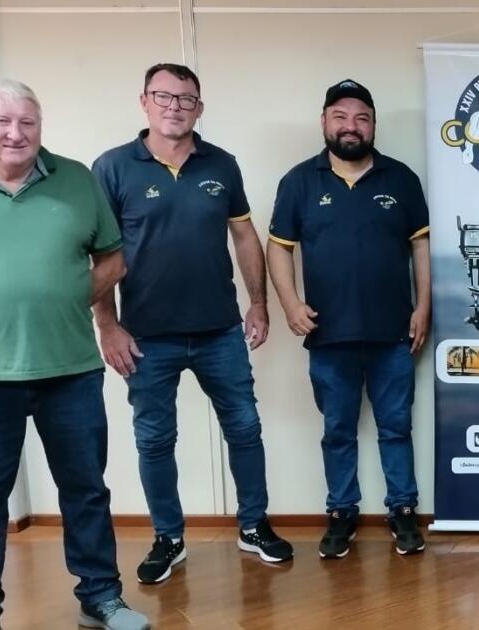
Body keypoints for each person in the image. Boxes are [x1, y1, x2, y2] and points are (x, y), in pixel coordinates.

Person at [0, 80, 150, 630]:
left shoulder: (76, 179)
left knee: (85, 491)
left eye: (27, 121)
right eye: (1, 121)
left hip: (70, 369)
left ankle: (101, 598)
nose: (15, 133)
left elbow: (113, 260)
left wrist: (66, 301)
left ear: (40, 125)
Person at [91, 62, 292, 585]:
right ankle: (169, 538)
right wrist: (107, 326)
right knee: (155, 439)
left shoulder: (221, 164)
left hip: (219, 331)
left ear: (199, 108)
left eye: (185, 98)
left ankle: (254, 526)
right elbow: (100, 255)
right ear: (144, 102)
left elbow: (244, 236)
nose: (174, 107)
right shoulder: (112, 167)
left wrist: (258, 303)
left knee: (244, 428)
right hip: (145, 335)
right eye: (163, 96)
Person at [267, 79, 431, 560]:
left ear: (373, 125)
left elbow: (420, 246)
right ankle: (341, 512)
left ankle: (403, 510)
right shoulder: (299, 182)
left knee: (396, 427)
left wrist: (423, 306)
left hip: (393, 333)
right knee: (337, 430)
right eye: (340, 116)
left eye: (361, 118)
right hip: (328, 334)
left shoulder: (401, 179)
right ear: (324, 122)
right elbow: (279, 249)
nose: (351, 126)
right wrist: (291, 304)